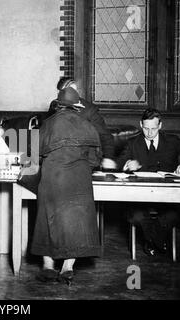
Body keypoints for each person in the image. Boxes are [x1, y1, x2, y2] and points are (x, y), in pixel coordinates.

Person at [31, 87, 102, 286]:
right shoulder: (88, 126)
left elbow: (33, 155)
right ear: (77, 106)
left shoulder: (47, 124)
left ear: (59, 105)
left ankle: (47, 266)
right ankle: (67, 267)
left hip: (53, 178)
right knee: (76, 223)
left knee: (47, 219)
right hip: (79, 179)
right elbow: (95, 160)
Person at [117, 108, 180, 256]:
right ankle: (159, 243)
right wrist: (126, 164)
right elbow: (120, 161)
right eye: (146, 128)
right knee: (136, 216)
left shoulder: (172, 141)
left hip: (168, 197)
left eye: (153, 128)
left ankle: (150, 242)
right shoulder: (132, 143)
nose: (150, 132)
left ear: (160, 126)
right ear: (141, 124)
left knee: (172, 216)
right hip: (140, 197)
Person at [47, 77, 117, 170]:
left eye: (75, 91)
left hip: (84, 162)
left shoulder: (89, 111)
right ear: (59, 93)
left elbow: (105, 136)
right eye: (68, 91)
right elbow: (44, 135)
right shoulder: (54, 108)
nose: (73, 94)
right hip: (59, 161)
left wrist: (108, 158)